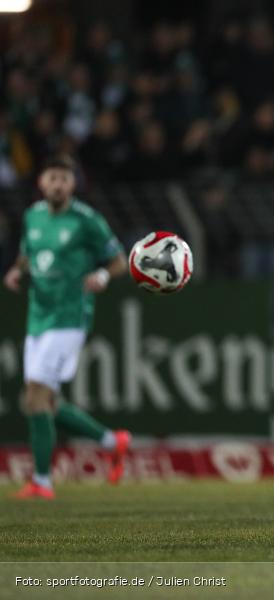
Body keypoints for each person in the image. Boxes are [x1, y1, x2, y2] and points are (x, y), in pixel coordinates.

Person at [3, 155, 132, 500]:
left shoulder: (87, 220)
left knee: (35, 395)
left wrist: (102, 275)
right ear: (41, 182)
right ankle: (113, 441)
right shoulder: (32, 216)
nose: (58, 185)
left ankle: (42, 481)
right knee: (43, 401)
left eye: (64, 178)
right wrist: (17, 270)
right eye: (52, 178)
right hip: (38, 316)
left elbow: (119, 261)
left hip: (70, 316)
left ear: (73, 184)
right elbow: (29, 253)